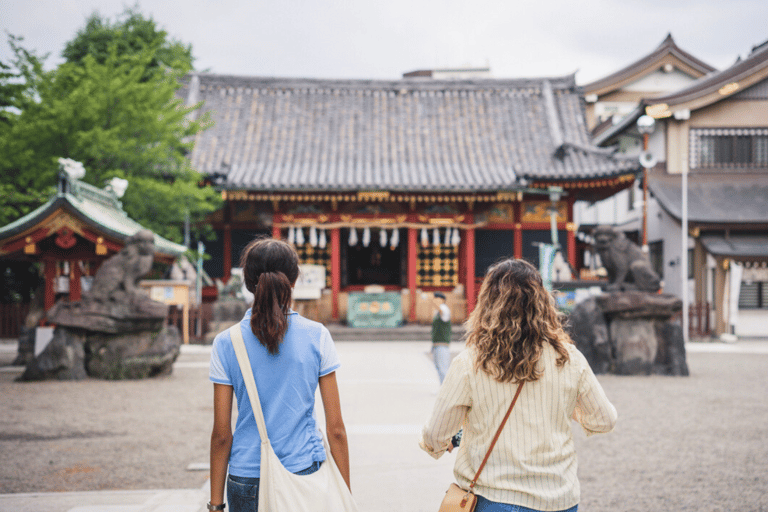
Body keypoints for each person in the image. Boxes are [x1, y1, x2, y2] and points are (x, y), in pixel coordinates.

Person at [420, 259, 617, 512]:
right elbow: (604, 420)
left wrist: (448, 438)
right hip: (560, 499)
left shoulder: (471, 362)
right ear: (543, 303)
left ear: (487, 304)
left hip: (496, 497)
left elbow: (435, 437)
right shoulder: (569, 358)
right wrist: (564, 406)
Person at [208, 238, 351, 512]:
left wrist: (215, 505)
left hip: (245, 476)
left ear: (248, 282)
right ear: (294, 280)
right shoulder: (317, 336)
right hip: (302, 469)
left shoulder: (226, 342)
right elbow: (336, 430)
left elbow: (221, 435)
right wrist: (346, 494)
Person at [431, 291, 452, 383]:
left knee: (443, 368)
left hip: (443, 344)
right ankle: (442, 387)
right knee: (439, 367)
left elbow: (443, 313)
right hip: (436, 343)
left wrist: (435, 304)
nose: (434, 300)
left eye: (436, 298)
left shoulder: (444, 309)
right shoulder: (438, 310)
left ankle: (446, 390)